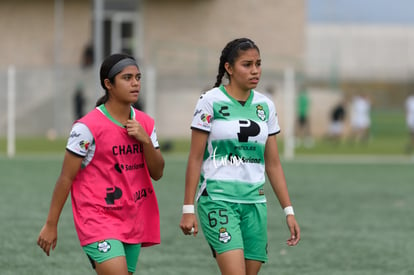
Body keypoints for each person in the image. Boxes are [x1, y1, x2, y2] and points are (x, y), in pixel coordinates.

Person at [179, 38, 300, 275]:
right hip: (218, 200)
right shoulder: (210, 101)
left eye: (258, 64)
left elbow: (273, 164)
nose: (255, 70)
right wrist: (187, 207)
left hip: (255, 203)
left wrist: (289, 211)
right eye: (247, 64)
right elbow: (195, 158)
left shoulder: (266, 106)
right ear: (229, 68)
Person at [37, 53, 165, 275]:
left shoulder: (145, 123)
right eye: (127, 78)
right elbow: (66, 177)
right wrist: (51, 224)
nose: (135, 83)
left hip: (133, 216)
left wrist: (145, 141)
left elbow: (158, 172)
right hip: (97, 217)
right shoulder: (86, 127)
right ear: (108, 84)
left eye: (138, 77)